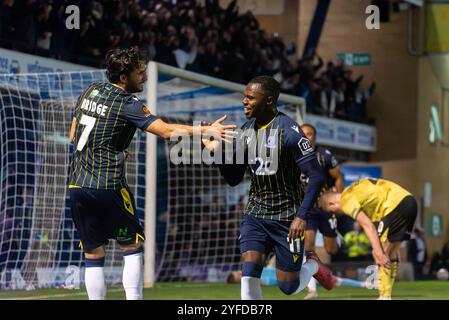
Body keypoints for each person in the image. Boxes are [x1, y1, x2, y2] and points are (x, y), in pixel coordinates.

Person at [68, 46, 236, 300]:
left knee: (93, 253)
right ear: (123, 78)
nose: (144, 77)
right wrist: (205, 129)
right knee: (132, 247)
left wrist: (113, 149)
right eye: (140, 72)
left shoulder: (90, 91)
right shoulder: (128, 103)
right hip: (109, 185)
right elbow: (167, 132)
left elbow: (73, 136)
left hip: (78, 186)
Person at [205, 76, 335, 300]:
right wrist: (216, 152)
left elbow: (316, 176)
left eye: (250, 98)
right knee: (249, 272)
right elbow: (234, 178)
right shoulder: (246, 132)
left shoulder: (290, 132)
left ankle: (312, 265)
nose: (244, 101)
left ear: (269, 100)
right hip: (255, 215)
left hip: (288, 218)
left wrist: (301, 217)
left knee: (288, 287)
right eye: (244, 96)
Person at [319, 178, 418, 300]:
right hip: (410, 202)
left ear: (331, 204)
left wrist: (377, 251)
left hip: (395, 205)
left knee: (380, 252)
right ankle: (386, 292)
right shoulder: (355, 191)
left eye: (331, 211)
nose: (334, 215)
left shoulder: (346, 200)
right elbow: (376, 221)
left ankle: (385, 296)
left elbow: (367, 225)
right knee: (390, 252)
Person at [300, 123, 344, 300]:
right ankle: (312, 289)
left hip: (325, 207)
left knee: (330, 248)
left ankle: (337, 236)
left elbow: (338, 176)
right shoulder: (292, 155)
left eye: (310, 134)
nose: (306, 137)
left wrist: (337, 197)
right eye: (304, 134)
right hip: (307, 207)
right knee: (308, 246)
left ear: (315, 137)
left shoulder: (324, 155)